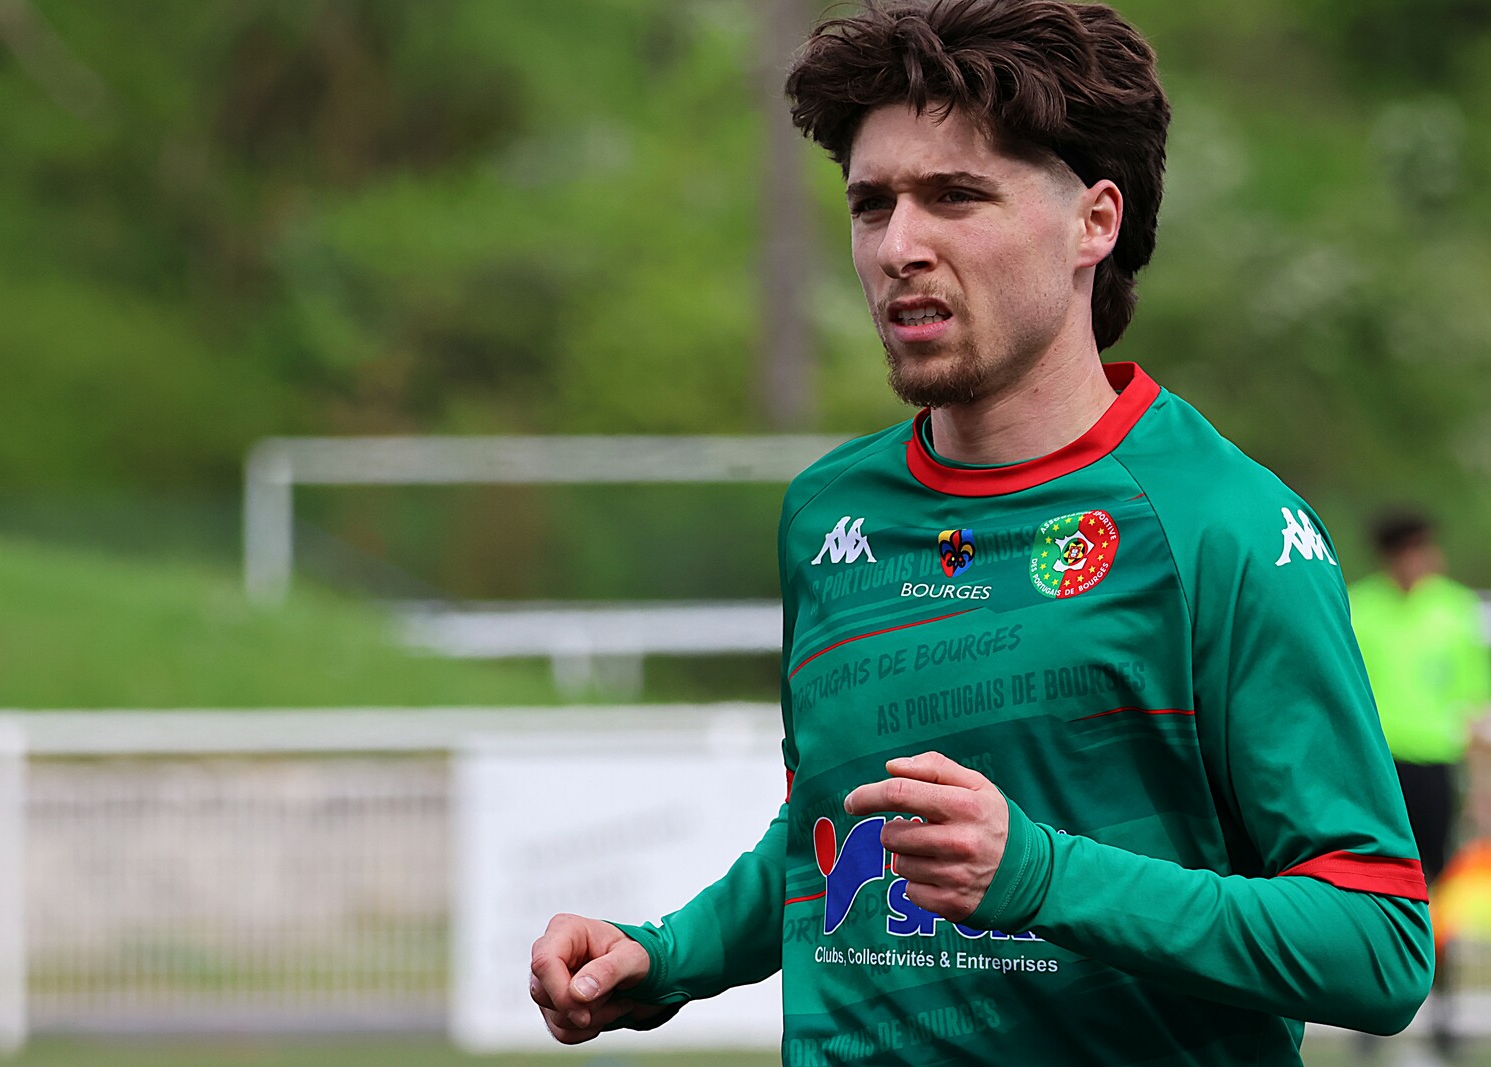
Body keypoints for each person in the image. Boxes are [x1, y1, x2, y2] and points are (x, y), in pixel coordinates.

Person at [530, 2, 1433, 1062]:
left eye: (955, 196)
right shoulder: (828, 515)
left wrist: (1043, 875)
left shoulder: (1224, 527)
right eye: (872, 205)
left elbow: (1377, 943)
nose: (898, 247)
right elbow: (831, 831)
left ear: (1094, 222)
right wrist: (665, 955)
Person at [1349, 511, 1491, 1065]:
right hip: (1377, 769)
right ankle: (1368, 1007)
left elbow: (1476, 705)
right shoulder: (1360, 608)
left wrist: (1488, 786)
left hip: (1435, 768)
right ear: (1391, 555)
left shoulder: (1455, 610)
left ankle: (1443, 1011)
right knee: (1369, 884)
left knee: (1442, 891)